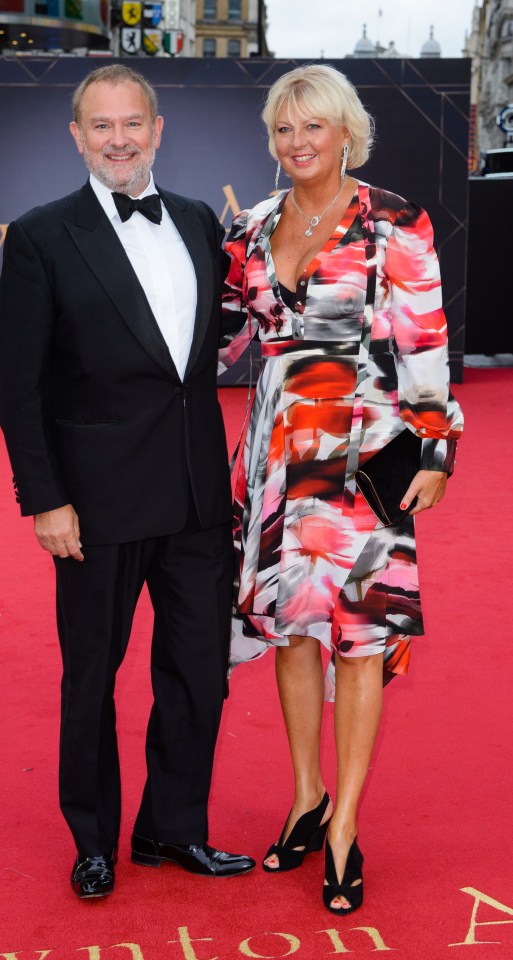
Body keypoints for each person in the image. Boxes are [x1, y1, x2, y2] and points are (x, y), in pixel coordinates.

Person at [0, 64, 255, 901]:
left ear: (157, 129)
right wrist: (44, 499)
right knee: (92, 678)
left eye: (132, 123)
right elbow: (19, 385)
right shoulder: (41, 235)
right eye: (100, 126)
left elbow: (213, 349)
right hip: (94, 504)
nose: (118, 139)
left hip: (193, 499)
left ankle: (172, 827)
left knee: (195, 673)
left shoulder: (194, 222)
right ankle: (94, 840)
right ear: (77, 137)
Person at [219, 64, 463, 914]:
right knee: (294, 635)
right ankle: (303, 796)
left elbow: (426, 340)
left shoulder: (393, 220)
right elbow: (217, 342)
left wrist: (435, 452)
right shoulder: (248, 227)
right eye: (284, 130)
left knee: (358, 640)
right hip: (278, 459)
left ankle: (345, 828)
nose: (298, 144)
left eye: (312, 128)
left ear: (345, 132)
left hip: (362, 455)